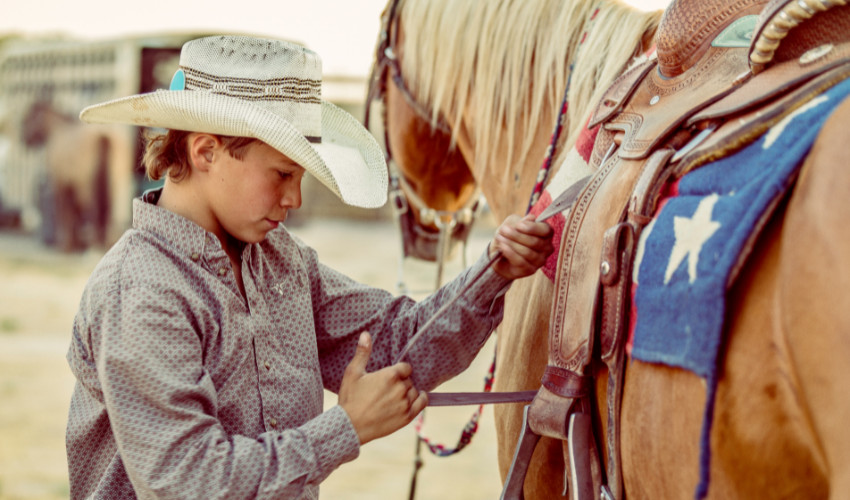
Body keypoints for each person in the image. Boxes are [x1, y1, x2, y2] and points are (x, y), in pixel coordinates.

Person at [65, 35, 553, 499]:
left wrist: (497, 271)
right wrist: (345, 429)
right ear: (206, 150)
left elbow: (395, 345)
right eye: (282, 173)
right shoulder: (142, 290)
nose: (294, 198)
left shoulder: (281, 261)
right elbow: (187, 482)